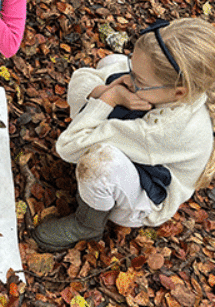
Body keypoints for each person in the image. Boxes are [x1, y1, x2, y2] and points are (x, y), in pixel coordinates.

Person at [33, 18, 215, 252]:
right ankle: (103, 120)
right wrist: (104, 89)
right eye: (133, 70)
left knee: (99, 163)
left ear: (179, 92)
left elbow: (69, 146)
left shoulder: (161, 131)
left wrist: (110, 98)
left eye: (138, 80)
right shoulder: (166, 89)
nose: (128, 80)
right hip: (142, 146)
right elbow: (82, 77)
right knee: (113, 61)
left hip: (145, 199)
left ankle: (87, 224)